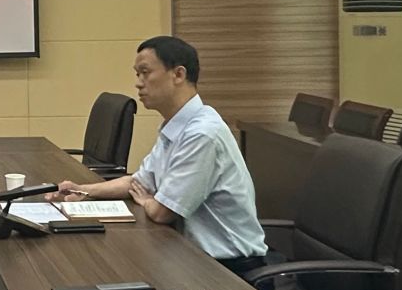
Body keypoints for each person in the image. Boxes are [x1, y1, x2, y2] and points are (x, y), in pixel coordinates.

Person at [53, 35, 267, 272]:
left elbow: (163, 212)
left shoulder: (202, 134)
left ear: (178, 75)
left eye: (145, 73)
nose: (138, 83)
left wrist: (147, 201)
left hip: (230, 271)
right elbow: (138, 182)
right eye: (137, 74)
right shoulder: (176, 126)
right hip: (190, 256)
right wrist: (82, 190)